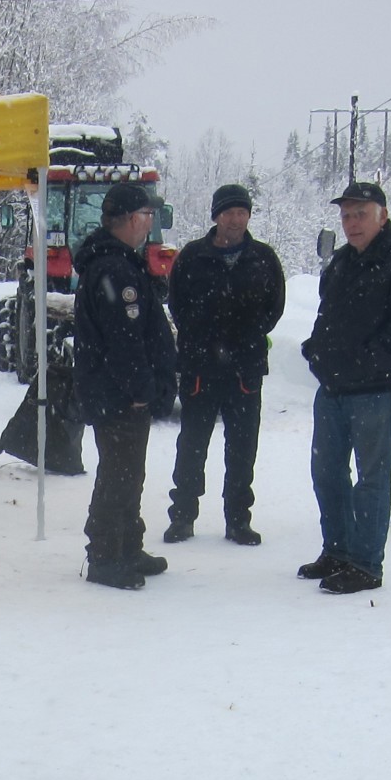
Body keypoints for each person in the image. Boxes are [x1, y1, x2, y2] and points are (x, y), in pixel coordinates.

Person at [298, 180, 391, 595]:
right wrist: (316, 351)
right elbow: (327, 315)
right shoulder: (341, 262)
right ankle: (337, 550)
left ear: (382, 216)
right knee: (326, 471)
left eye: (360, 214)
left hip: (375, 389)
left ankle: (365, 563)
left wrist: (368, 361)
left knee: (372, 478)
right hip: (334, 388)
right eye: (346, 215)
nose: (352, 223)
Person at [162, 183, 286, 547]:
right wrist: (203, 339)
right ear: (216, 216)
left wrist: (247, 336)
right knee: (192, 447)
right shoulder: (191, 257)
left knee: (243, 448)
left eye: (242, 212)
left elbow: (273, 307)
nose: (236, 219)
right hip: (201, 369)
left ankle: (238, 520)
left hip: (245, 370)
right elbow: (178, 305)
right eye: (229, 212)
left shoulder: (263, 258)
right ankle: (182, 517)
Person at [72, 181, 177, 590]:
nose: (150, 223)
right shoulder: (114, 269)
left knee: (128, 473)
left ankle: (128, 547)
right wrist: (141, 391)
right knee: (119, 474)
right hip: (118, 396)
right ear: (132, 219)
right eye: (147, 216)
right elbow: (125, 343)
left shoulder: (118, 262)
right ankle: (105, 557)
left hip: (117, 392)